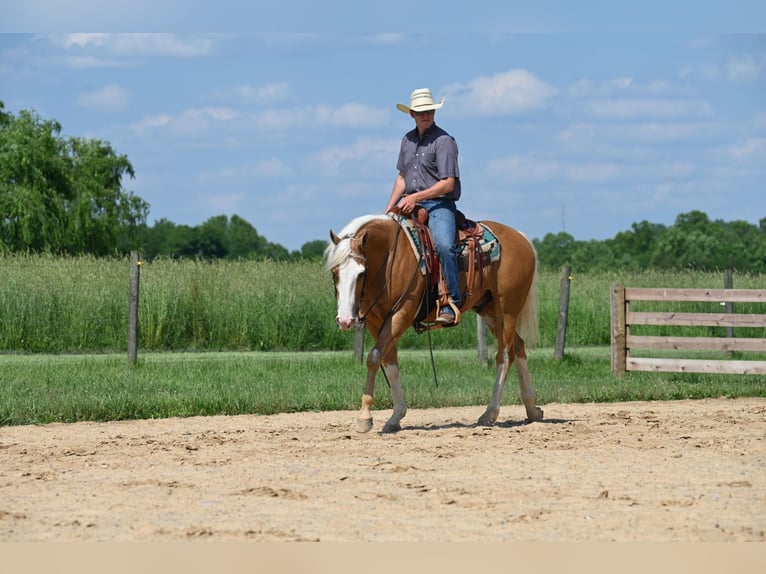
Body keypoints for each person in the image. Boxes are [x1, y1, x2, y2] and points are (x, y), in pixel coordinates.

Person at [385, 88, 462, 325]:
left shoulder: (444, 141)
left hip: (439, 204)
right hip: (409, 204)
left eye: (429, 111)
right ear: (412, 114)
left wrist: (416, 198)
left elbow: (448, 184)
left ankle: (451, 301)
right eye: (420, 112)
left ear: (434, 112)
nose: (425, 115)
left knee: (445, 245)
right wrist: (388, 210)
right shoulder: (406, 141)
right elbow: (402, 178)